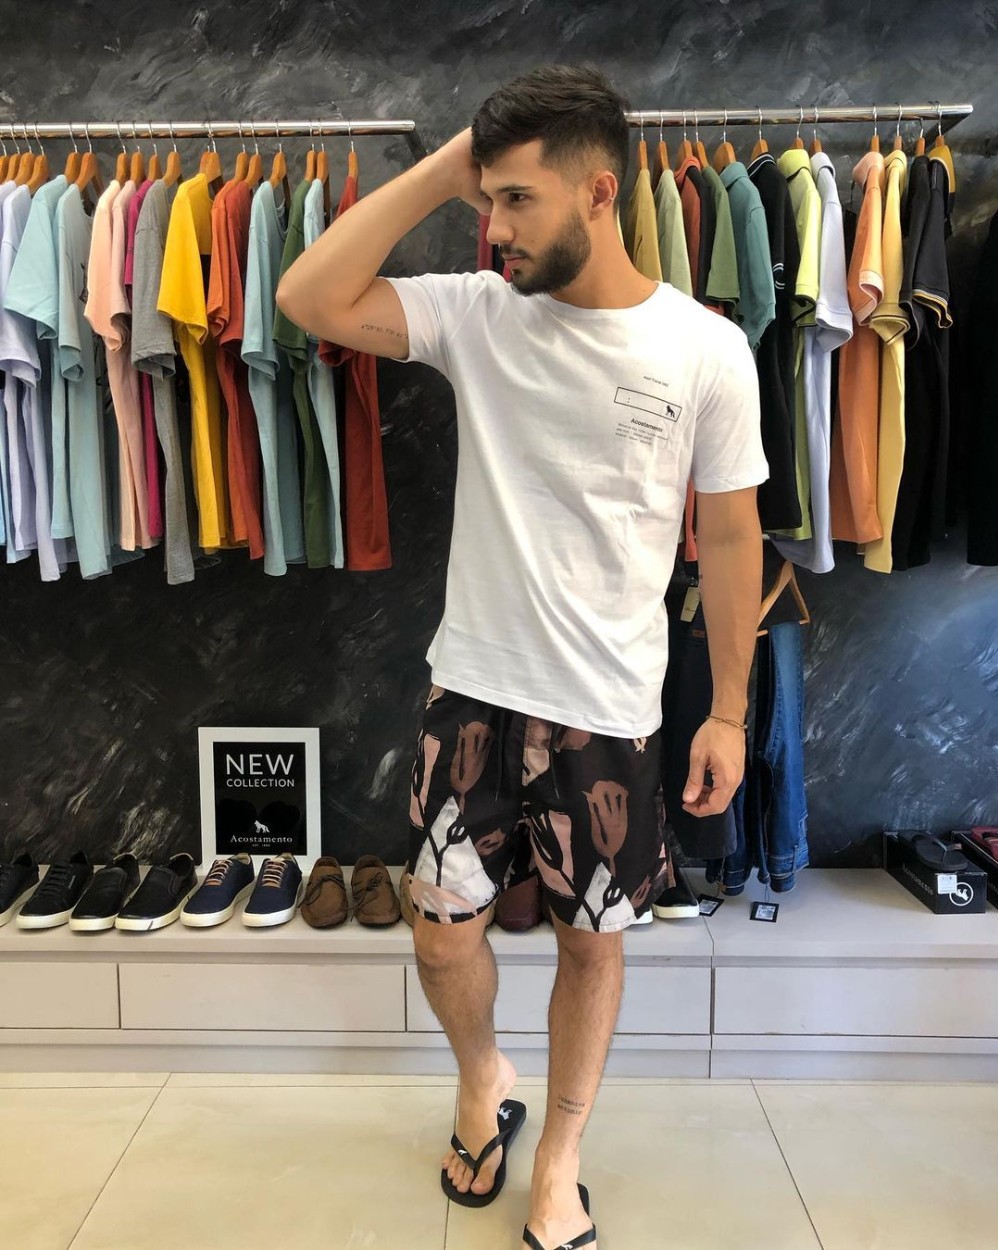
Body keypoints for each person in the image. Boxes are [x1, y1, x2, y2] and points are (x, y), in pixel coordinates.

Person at [277, 63, 767, 1250]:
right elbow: (307, 296)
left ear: (599, 192)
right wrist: (445, 171)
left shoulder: (704, 349)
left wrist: (728, 709)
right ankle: (480, 1073)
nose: (493, 227)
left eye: (516, 201)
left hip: (610, 712)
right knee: (440, 928)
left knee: (592, 944)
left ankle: (559, 1151)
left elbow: (731, 534)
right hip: (472, 693)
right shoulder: (478, 314)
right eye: (486, 198)